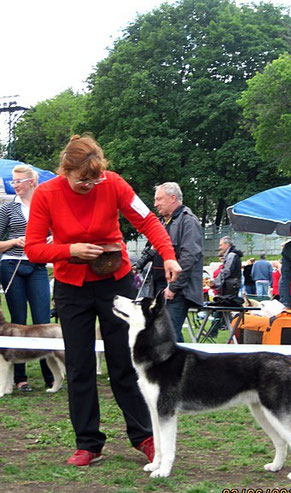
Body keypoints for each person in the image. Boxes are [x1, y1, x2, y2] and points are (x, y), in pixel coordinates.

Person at [25, 134, 181, 467]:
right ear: (66, 169)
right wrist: (69, 251)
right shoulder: (45, 194)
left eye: (96, 178)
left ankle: (145, 437)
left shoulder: (114, 184)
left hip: (116, 284)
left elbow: (147, 220)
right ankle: (88, 443)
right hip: (71, 287)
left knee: (125, 363)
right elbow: (33, 249)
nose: (91, 185)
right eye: (83, 179)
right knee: (79, 366)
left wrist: (168, 255)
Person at [0, 165, 54, 392]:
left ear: (32, 182)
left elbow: (59, 233)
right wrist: (14, 242)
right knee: (18, 320)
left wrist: (54, 240)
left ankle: (50, 374)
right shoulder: (6, 209)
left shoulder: (46, 206)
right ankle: (20, 378)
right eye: (13, 181)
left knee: (42, 319)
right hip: (11, 265)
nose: (15, 185)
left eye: (19, 181)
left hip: (38, 265)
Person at [135, 182, 203, 342]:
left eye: (159, 199)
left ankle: (182, 366)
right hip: (158, 287)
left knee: (168, 335)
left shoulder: (188, 221)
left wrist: (173, 287)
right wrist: (137, 266)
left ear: (173, 198)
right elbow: (152, 249)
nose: (155, 204)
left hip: (177, 291)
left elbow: (189, 257)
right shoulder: (160, 222)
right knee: (159, 333)